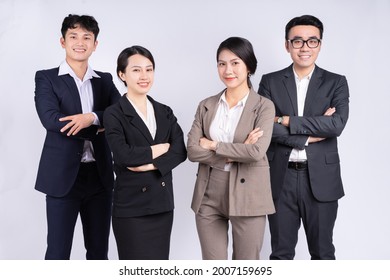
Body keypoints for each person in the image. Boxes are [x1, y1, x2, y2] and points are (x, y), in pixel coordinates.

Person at [258, 15, 349, 260]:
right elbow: (264, 128)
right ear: (287, 45)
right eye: (297, 41)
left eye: (312, 41)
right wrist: (309, 135)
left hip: (322, 179)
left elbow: (336, 125)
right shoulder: (270, 82)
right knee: (281, 254)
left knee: (322, 253)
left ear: (320, 44)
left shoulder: (336, 82)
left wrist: (286, 120)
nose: (305, 47)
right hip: (281, 176)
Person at [34, 14, 120, 260]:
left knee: (98, 252)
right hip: (62, 178)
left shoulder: (104, 80)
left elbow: (121, 114)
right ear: (63, 42)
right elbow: (51, 120)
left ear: (95, 44)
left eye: (87, 37)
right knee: (58, 252)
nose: (80, 42)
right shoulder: (47, 77)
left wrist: (90, 117)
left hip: (100, 177)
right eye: (73, 36)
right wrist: (100, 126)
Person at [187, 37, 275, 260]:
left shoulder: (264, 106)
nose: (228, 70)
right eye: (221, 63)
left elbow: (256, 152)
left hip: (249, 194)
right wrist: (233, 153)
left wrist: (215, 145)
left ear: (249, 66)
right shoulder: (206, 105)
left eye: (235, 63)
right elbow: (192, 150)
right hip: (209, 192)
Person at [103, 46, 187, 260]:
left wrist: (151, 165)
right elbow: (123, 155)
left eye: (149, 70)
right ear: (122, 74)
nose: (144, 76)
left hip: (162, 204)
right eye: (136, 70)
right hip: (131, 207)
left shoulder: (164, 111)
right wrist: (158, 149)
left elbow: (179, 151)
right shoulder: (114, 113)